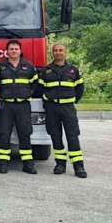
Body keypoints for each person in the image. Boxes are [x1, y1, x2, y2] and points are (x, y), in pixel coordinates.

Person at [38, 43, 87, 178]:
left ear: (65, 53)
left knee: (72, 137)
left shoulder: (73, 70)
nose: (58, 52)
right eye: (55, 50)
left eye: (61, 50)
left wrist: (72, 100)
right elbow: (39, 88)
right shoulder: (46, 70)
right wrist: (46, 99)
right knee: (56, 137)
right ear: (52, 53)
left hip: (68, 109)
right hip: (52, 108)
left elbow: (80, 88)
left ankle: (79, 167)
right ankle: (60, 164)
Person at [0, 40, 38, 174]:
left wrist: (27, 94)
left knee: (25, 133)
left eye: (16, 49)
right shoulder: (0, 66)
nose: (13, 51)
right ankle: (3, 163)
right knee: (4, 133)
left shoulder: (29, 66)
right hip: (6, 105)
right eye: (11, 49)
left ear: (20, 51)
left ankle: (28, 164)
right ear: (7, 51)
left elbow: (35, 84)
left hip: (22, 105)